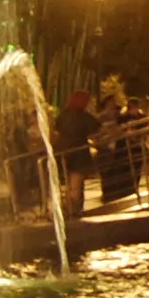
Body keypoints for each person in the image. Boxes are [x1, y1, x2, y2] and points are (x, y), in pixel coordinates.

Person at [53, 91, 95, 224]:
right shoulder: (82, 116)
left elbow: (56, 131)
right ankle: (71, 212)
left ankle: (69, 210)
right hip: (78, 153)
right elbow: (97, 130)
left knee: (69, 184)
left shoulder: (63, 115)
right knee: (76, 186)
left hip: (62, 152)